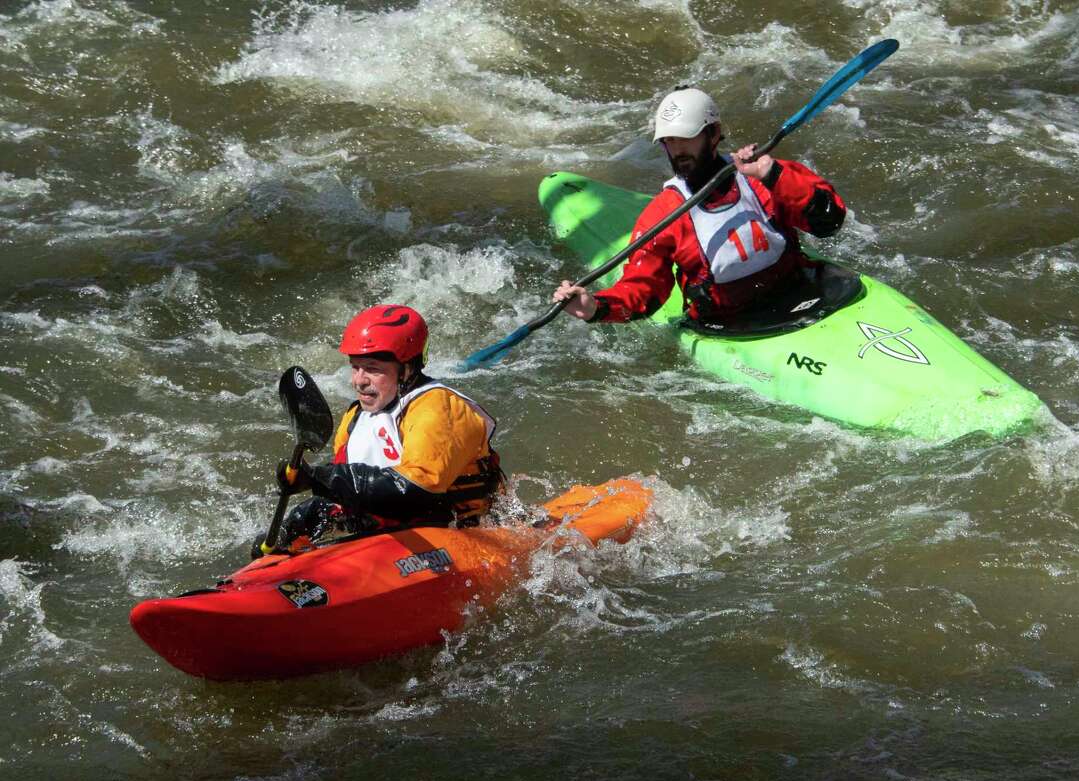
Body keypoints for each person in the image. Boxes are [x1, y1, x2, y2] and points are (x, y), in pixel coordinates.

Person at [553, 86, 850, 327]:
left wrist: (774, 177)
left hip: (800, 291)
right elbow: (645, 291)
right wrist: (596, 307)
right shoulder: (665, 214)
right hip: (730, 323)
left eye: (687, 138)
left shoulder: (763, 176)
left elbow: (829, 221)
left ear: (714, 133)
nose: (678, 150)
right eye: (669, 140)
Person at [255, 304, 503, 557]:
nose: (359, 381)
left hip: (463, 535)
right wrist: (289, 530)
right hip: (393, 534)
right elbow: (347, 495)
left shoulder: (438, 408)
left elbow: (414, 493)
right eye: (355, 366)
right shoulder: (355, 417)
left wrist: (320, 478)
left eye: (373, 369)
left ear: (407, 368)